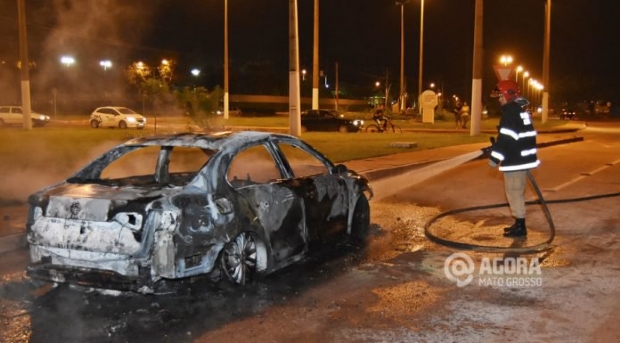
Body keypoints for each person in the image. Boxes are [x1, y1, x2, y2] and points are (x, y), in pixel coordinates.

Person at [488, 80, 540, 237]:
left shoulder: (510, 112)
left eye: (500, 95)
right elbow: (516, 136)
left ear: (507, 94)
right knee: (517, 191)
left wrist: (494, 158)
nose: (499, 99)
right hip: (522, 158)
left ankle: (520, 227)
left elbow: (506, 138)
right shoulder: (520, 110)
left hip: (516, 160)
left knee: (514, 192)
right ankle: (518, 223)